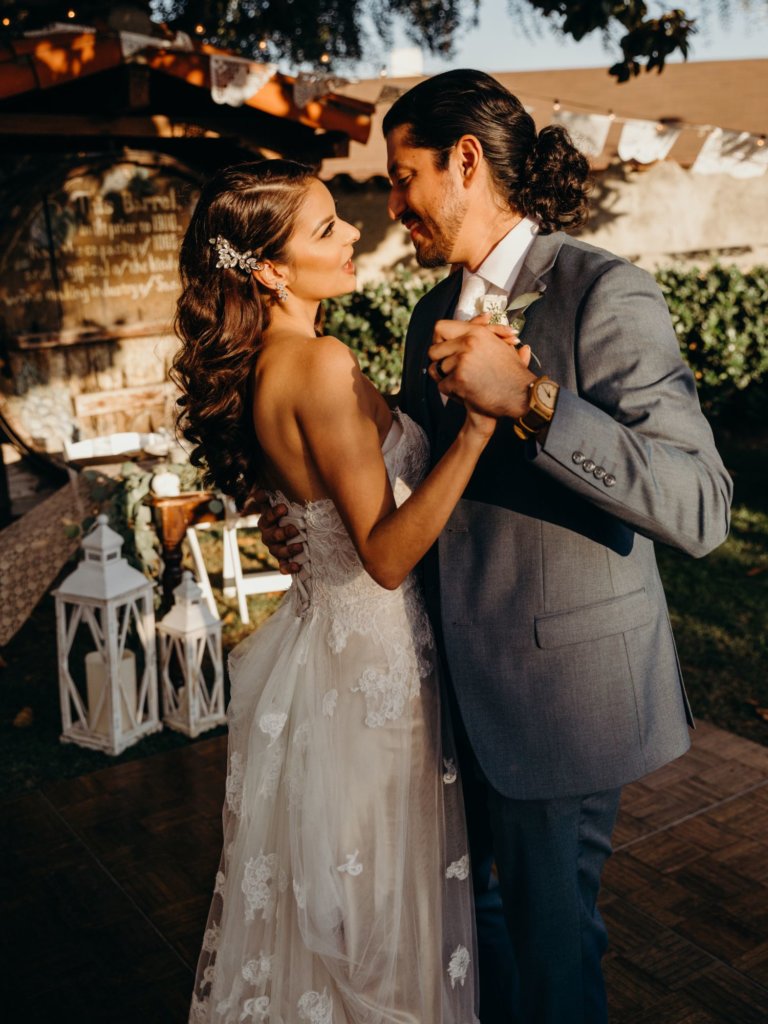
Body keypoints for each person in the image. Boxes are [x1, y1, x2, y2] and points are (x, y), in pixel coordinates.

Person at [262, 70, 733, 1023]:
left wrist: (533, 402)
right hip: (440, 697)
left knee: (548, 948)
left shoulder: (604, 292)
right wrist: (315, 526)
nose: (389, 209)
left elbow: (700, 503)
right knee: (472, 938)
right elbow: (431, 491)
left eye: (402, 179)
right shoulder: (420, 317)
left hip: (558, 695)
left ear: (464, 163)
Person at [173, 160, 526, 1023]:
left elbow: (313, 505)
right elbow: (385, 554)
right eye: (326, 228)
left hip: (325, 653)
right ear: (268, 268)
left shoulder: (271, 362)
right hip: (374, 664)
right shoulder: (321, 363)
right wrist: (477, 432)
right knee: (380, 921)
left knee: (344, 913)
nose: (353, 232)